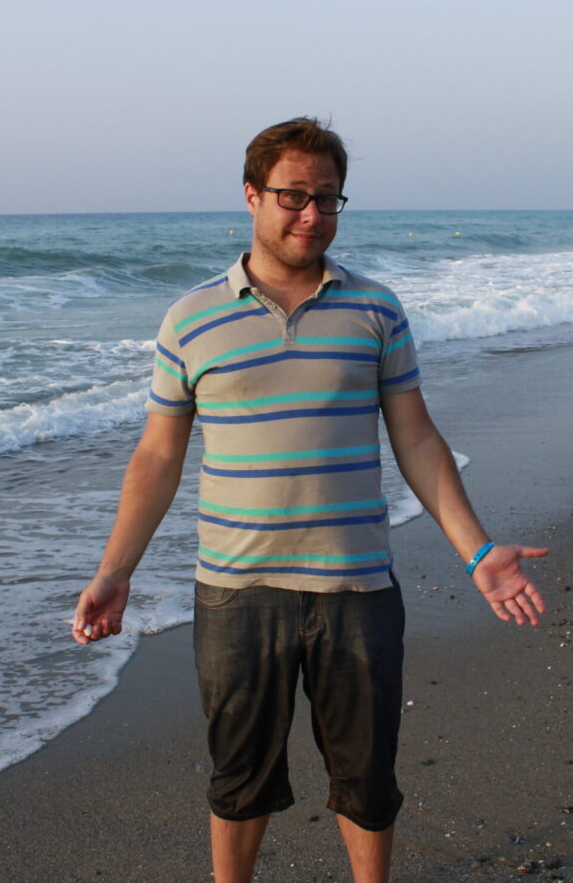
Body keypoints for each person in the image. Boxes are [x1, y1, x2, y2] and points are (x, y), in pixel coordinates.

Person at [72, 117, 548, 883]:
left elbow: (417, 439)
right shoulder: (191, 318)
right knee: (239, 777)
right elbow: (157, 456)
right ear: (252, 196)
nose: (311, 214)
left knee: (367, 778)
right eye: (293, 196)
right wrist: (114, 572)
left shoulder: (376, 309)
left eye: (327, 198)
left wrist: (479, 552)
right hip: (236, 591)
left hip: (357, 588)